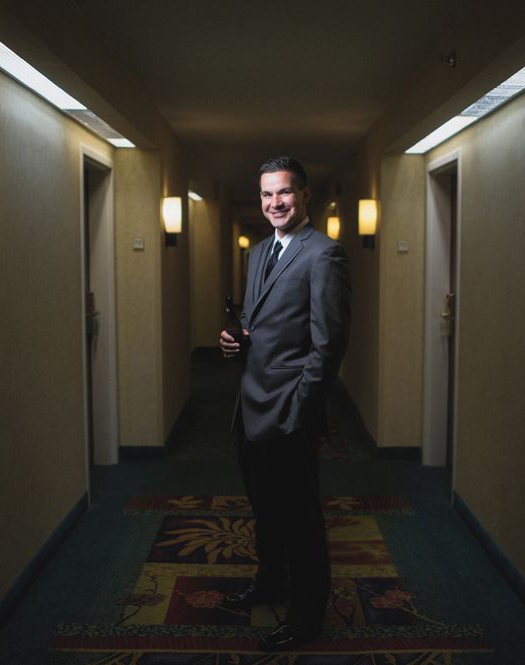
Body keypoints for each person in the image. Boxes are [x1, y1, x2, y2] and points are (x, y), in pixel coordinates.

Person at [219, 156, 352, 651]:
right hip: (249, 408)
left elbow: (328, 345)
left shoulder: (324, 255)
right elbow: (257, 323)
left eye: (284, 193)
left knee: (301, 521)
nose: (274, 203)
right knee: (265, 510)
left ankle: (305, 617)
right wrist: (236, 340)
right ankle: (270, 583)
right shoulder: (258, 253)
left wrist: (299, 410)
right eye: (266, 194)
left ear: (304, 196)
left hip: (290, 415)